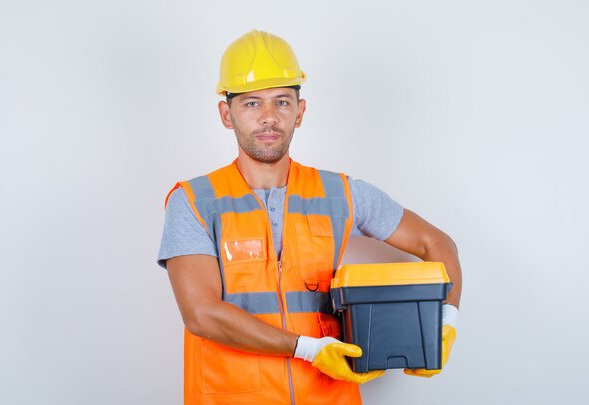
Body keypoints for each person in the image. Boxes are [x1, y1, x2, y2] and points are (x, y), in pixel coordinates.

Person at [157, 29, 462, 405]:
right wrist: (308, 349)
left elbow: (437, 243)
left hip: (328, 397)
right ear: (226, 114)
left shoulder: (342, 193)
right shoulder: (194, 202)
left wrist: (446, 321)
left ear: (300, 112)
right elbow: (202, 315)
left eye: (282, 102)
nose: (269, 118)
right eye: (252, 103)